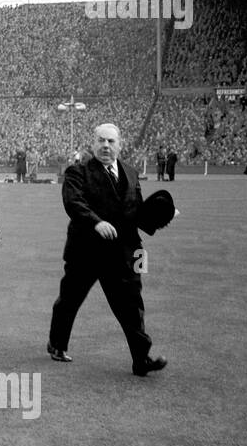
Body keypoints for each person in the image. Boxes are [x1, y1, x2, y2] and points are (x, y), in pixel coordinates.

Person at [47, 123, 168, 377]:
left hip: (125, 253)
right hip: (85, 252)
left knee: (131, 304)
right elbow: (73, 202)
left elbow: (136, 213)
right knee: (69, 300)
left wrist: (161, 216)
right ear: (93, 144)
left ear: (119, 145)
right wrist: (96, 222)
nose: (105, 145)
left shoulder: (132, 173)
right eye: (101, 140)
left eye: (111, 141)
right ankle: (57, 344)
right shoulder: (77, 172)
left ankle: (141, 359)